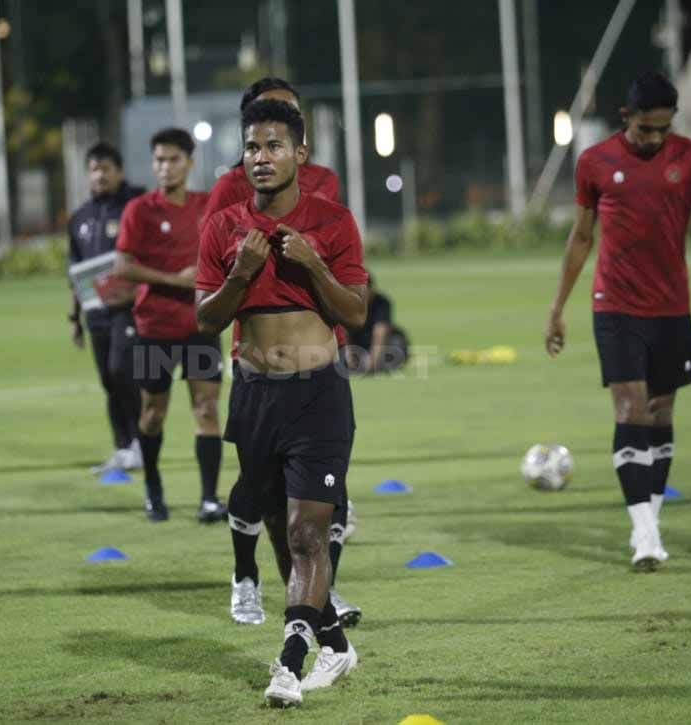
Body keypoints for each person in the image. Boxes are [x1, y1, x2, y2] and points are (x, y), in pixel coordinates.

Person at [197, 99, 367, 706]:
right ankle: (335, 647)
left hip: (317, 396)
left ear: (300, 154)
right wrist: (239, 275)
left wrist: (316, 267)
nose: (261, 158)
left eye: (273, 146)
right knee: (279, 529)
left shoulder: (334, 222)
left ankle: (289, 663)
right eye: (251, 147)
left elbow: (355, 312)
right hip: (254, 397)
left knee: (306, 532)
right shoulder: (222, 227)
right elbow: (205, 319)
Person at [544, 71, 691, 571]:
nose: (656, 140)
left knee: (660, 411)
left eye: (664, 129)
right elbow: (582, 237)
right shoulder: (595, 162)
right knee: (629, 407)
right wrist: (558, 306)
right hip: (615, 304)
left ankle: (650, 517)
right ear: (626, 117)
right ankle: (645, 532)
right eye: (646, 130)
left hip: (671, 307)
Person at [113, 129, 225, 523]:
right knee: (152, 413)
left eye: (173, 159)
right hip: (154, 326)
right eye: (159, 160)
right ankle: (153, 490)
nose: (165, 167)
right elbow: (122, 266)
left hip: (202, 323)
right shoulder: (139, 210)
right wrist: (178, 280)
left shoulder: (209, 205)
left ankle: (209, 498)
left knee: (207, 407)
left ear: (190, 163)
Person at [68, 142, 146, 473]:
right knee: (108, 380)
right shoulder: (80, 218)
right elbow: (75, 271)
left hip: (127, 308)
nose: (99, 175)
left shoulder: (134, 207)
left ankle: (142, 441)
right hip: (95, 312)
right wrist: (75, 317)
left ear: (119, 172)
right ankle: (123, 446)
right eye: (94, 169)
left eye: (106, 169)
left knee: (121, 369)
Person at [343, 275, 408, 374]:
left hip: (383, 344)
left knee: (396, 345)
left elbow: (380, 332)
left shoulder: (381, 303)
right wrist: (349, 358)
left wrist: (373, 362)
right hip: (359, 342)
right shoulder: (348, 304)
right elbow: (344, 331)